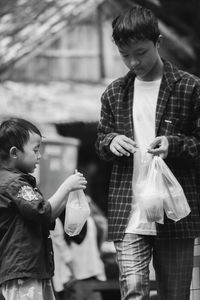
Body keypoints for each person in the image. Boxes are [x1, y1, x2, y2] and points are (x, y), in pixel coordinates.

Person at [95, 5, 200, 300]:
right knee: (133, 291)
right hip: (128, 209)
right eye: (124, 55)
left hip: (175, 212)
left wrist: (174, 144)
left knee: (175, 294)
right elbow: (101, 141)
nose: (133, 62)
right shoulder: (114, 93)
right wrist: (111, 141)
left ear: (158, 42)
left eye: (140, 52)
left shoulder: (190, 88)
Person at [0, 117, 87, 300]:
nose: (40, 156)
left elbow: (46, 215)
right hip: (23, 270)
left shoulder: (19, 182)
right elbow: (43, 211)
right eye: (36, 149)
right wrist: (66, 187)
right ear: (15, 153)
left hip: (33, 269)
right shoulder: (14, 184)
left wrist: (69, 192)